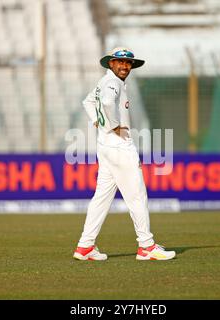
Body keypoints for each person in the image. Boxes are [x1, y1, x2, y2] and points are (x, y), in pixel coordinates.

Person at [73, 47, 176, 261]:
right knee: (137, 195)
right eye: (119, 62)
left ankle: (85, 246)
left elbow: (88, 102)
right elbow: (108, 103)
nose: (124, 66)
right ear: (111, 63)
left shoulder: (105, 81)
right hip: (119, 145)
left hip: (106, 145)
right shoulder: (112, 83)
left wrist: (98, 122)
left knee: (101, 198)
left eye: (128, 63)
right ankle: (146, 246)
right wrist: (112, 125)